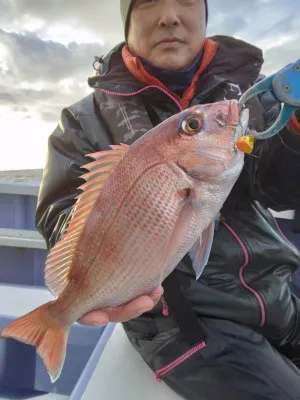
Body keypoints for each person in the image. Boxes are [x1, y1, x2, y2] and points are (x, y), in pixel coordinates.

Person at [35, 0, 300, 398]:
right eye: (148, 2)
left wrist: (294, 128)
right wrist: (113, 234)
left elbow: (282, 189)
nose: (170, 16)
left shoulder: (247, 97)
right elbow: (58, 214)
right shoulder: (82, 119)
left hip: (277, 292)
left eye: (186, 0)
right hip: (179, 325)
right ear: (126, 21)